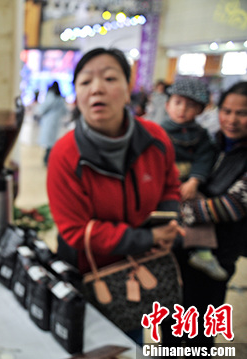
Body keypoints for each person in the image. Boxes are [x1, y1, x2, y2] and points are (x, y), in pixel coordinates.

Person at [46, 48, 184, 344]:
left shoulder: (156, 139)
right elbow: (74, 230)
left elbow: (170, 185)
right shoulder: (65, 155)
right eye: (85, 82)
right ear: (77, 94)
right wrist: (148, 237)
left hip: (145, 265)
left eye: (109, 78)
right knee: (94, 343)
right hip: (89, 274)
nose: (97, 88)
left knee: (131, 337)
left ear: (127, 90)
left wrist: (168, 222)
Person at [162, 81, 247, 353]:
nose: (232, 120)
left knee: (201, 327)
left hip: (218, 253)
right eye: (227, 111)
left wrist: (171, 211)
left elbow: (232, 206)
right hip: (180, 246)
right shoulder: (214, 141)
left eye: (242, 113)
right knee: (172, 317)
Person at [161, 77, 226, 281]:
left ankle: (203, 252)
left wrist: (194, 180)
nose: (182, 109)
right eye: (178, 103)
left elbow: (204, 158)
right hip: (162, 184)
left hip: (188, 185)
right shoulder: (158, 130)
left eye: (190, 105)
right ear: (167, 105)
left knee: (200, 207)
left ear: (200, 110)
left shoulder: (202, 134)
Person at [35, 81, 68, 165]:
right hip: (56, 121)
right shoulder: (60, 98)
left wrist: (38, 113)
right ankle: (48, 159)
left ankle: (47, 159)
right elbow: (65, 111)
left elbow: (43, 107)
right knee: (52, 141)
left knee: (49, 142)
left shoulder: (50, 96)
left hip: (48, 121)